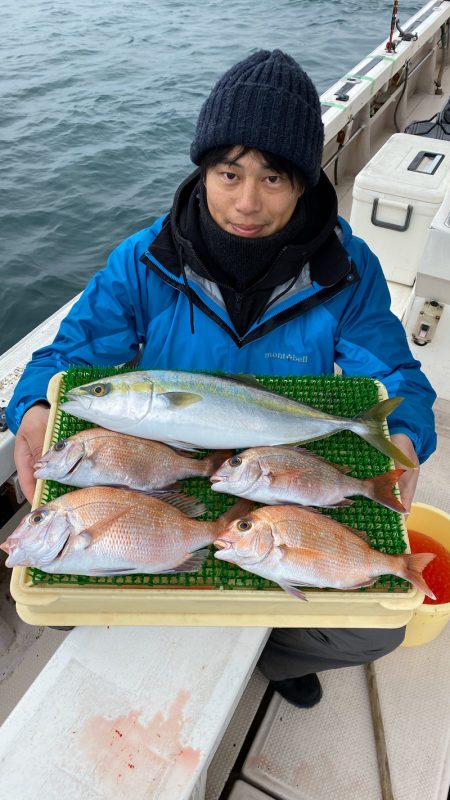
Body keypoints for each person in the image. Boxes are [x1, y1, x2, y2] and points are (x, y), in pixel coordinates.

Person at [6, 50, 436, 709]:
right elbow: (72, 354)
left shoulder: (348, 269)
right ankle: (207, 622)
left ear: (305, 181)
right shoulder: (144, 259)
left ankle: (265, 652)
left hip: (279, 474)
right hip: (173, 478)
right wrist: (35, 404)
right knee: (61, 591)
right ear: (203, 170)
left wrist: (404, 434)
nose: (247, 202)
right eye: (228, 172)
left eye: (274, 178)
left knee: (371, 630)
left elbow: (392, 370)